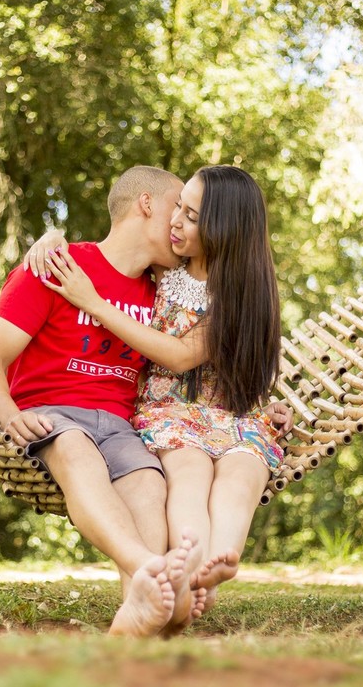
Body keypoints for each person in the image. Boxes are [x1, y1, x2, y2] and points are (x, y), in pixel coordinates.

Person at [0, 166, 207, 638]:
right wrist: (9, 416)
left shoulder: (165, 291)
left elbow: (222, 326)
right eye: (176, 206)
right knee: (76, 448)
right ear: (146, 204)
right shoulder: (56, 268)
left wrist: (265, 405)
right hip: (52, 416)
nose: (182, 221)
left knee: (147, 480)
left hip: (120, 426)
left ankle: (139, 609)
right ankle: (148, 570)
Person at [31, 165, 285, 611]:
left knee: (242, 475)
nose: (176, 220)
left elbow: (181, 354)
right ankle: (189, 568)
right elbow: (112, 248)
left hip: (233, 416)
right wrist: (54, 237)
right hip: (172, 412)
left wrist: (93, 303)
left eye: (189, 215)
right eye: (179, 207)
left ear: (222, 228)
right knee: (189, 475)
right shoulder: (164, 267)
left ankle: (222, 559)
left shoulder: (237, 293)